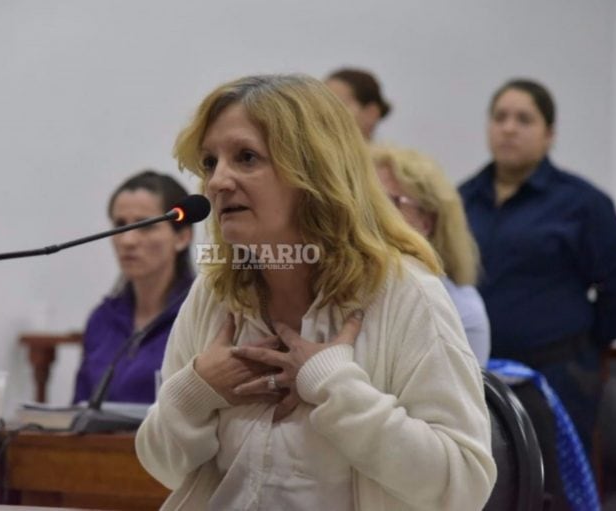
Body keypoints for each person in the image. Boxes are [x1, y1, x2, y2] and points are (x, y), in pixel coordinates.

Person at [136, 74, 495, 510]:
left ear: (314, 171)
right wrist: (195, 392)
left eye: (246, 157)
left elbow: (463, 487)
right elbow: (164, 469)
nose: (217, 182)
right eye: (211, 163)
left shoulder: (406, 294)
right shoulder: (214, 295)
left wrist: (333, 386)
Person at [460, 78, 616, 456]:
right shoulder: (462, 198)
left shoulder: (582, 204)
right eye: (500, 117)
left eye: (524, 119)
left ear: (549, 134)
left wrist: (582, 342)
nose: (509, 127)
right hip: (474, 375)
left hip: (556, 375)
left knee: (552, 488)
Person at [72, 170, 194, 404]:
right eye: (119, 225)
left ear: (182, 237)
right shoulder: (101, 319)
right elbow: (77, 410)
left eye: (145, 225)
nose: (127, 240)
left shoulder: (200, 316)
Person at [372, 145, 491, 366]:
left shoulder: (462, 311)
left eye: (391, 202)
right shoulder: (345, 292)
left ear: (427, 222)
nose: (373, 214)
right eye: (370, 200)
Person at [325, 67, 391, 141]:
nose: (323, 113)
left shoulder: (389, 152)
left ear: (371, 113)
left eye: (337, 106)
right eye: (320, 104)